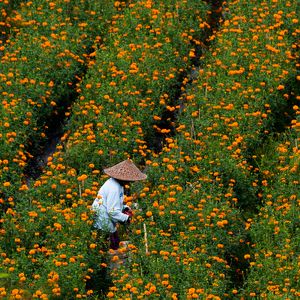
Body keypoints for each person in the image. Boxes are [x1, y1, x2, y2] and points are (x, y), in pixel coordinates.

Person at [91, 159, 147, 250]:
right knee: (111, 246)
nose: (131, 182)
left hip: (105, 219)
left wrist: (125, 208)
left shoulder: (117, 184)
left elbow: (114, 204)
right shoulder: (114, 188)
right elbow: (112, 211)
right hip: (103, 221)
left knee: (114, 243)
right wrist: (127, 218)